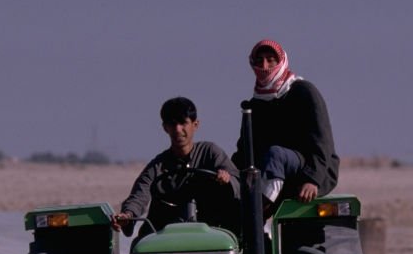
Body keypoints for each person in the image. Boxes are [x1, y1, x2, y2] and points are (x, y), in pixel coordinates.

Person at [231, 39, 340, 217]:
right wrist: (227, 172)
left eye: (270, 60)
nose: (264, 66)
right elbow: (245, 151)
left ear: (281, 62)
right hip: (271, 171)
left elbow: (322, 142)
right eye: (259, 61)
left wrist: (311, 180)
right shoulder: (255, 104)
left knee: (276, 154)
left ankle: (259, 209)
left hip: (309, 169)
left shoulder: (304, 92)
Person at [111, 96, 239, 239]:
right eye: (172, 124)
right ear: (165, 128)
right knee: (139, 246)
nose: (178, 129)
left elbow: (238, 182)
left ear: (195, 125)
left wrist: (227, 179)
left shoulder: (210, 153)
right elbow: (140, 194)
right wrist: (127, 215)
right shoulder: (158, 166)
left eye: (183, 123)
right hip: (165, 234)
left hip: (209, 231)